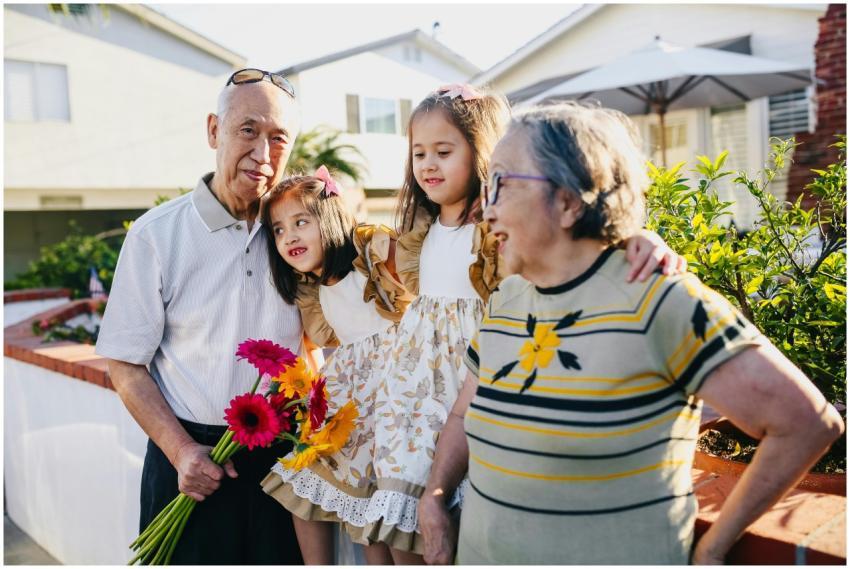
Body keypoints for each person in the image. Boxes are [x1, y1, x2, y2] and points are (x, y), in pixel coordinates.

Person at [417, 102, 845, 564]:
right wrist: (434, 496)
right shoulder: (507, 300)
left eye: (500, 183)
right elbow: (465, 413)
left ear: (568, 200)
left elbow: (804, 424)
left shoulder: (659, 299)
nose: (485, 208)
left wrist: (713, 548)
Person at [367, 85, 687, 563]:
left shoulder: (496, 229)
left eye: (443, 151)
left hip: (467, 376)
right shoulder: (419, 232)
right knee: (391, 518)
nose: (428, 164)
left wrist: (641, 237)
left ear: (483, 154)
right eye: (419, 153)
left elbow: (575, 242)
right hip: (411, 389)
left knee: (447, 520)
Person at [96, 69, 305, 564]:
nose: (263, 154)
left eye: (279, 139)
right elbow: (124, 364)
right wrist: (181, 452)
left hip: (285, 464)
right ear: (214, 131)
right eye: (247, 130)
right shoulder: (156, 235)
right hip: (189, 465)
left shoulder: (300, 235)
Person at [258, 168, 413, 565]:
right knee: (318, 487)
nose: (289, 236)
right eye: (278, 230)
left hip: (400, 394)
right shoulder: (313, 291)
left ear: (329, 217)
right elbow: (320, 344)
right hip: (355, 406)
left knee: (390, 512)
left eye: (301, 222)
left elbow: (417, 285)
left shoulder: (370, 256)